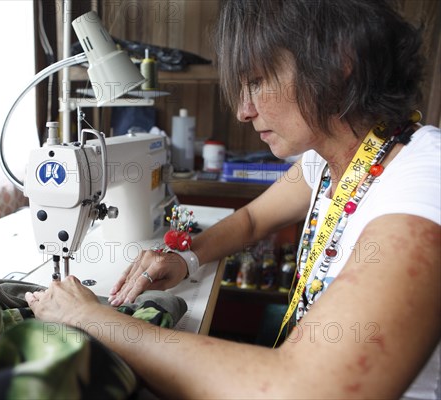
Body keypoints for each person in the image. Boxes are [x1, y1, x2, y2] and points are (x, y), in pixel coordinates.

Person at [25, 0, 441, 398]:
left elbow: (307, 390)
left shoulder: (424, 178)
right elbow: (252, 222)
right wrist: (186, 257)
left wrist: (90, 317)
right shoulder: (328, 161)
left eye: (256, 81)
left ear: (337, 61)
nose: (243, 110)